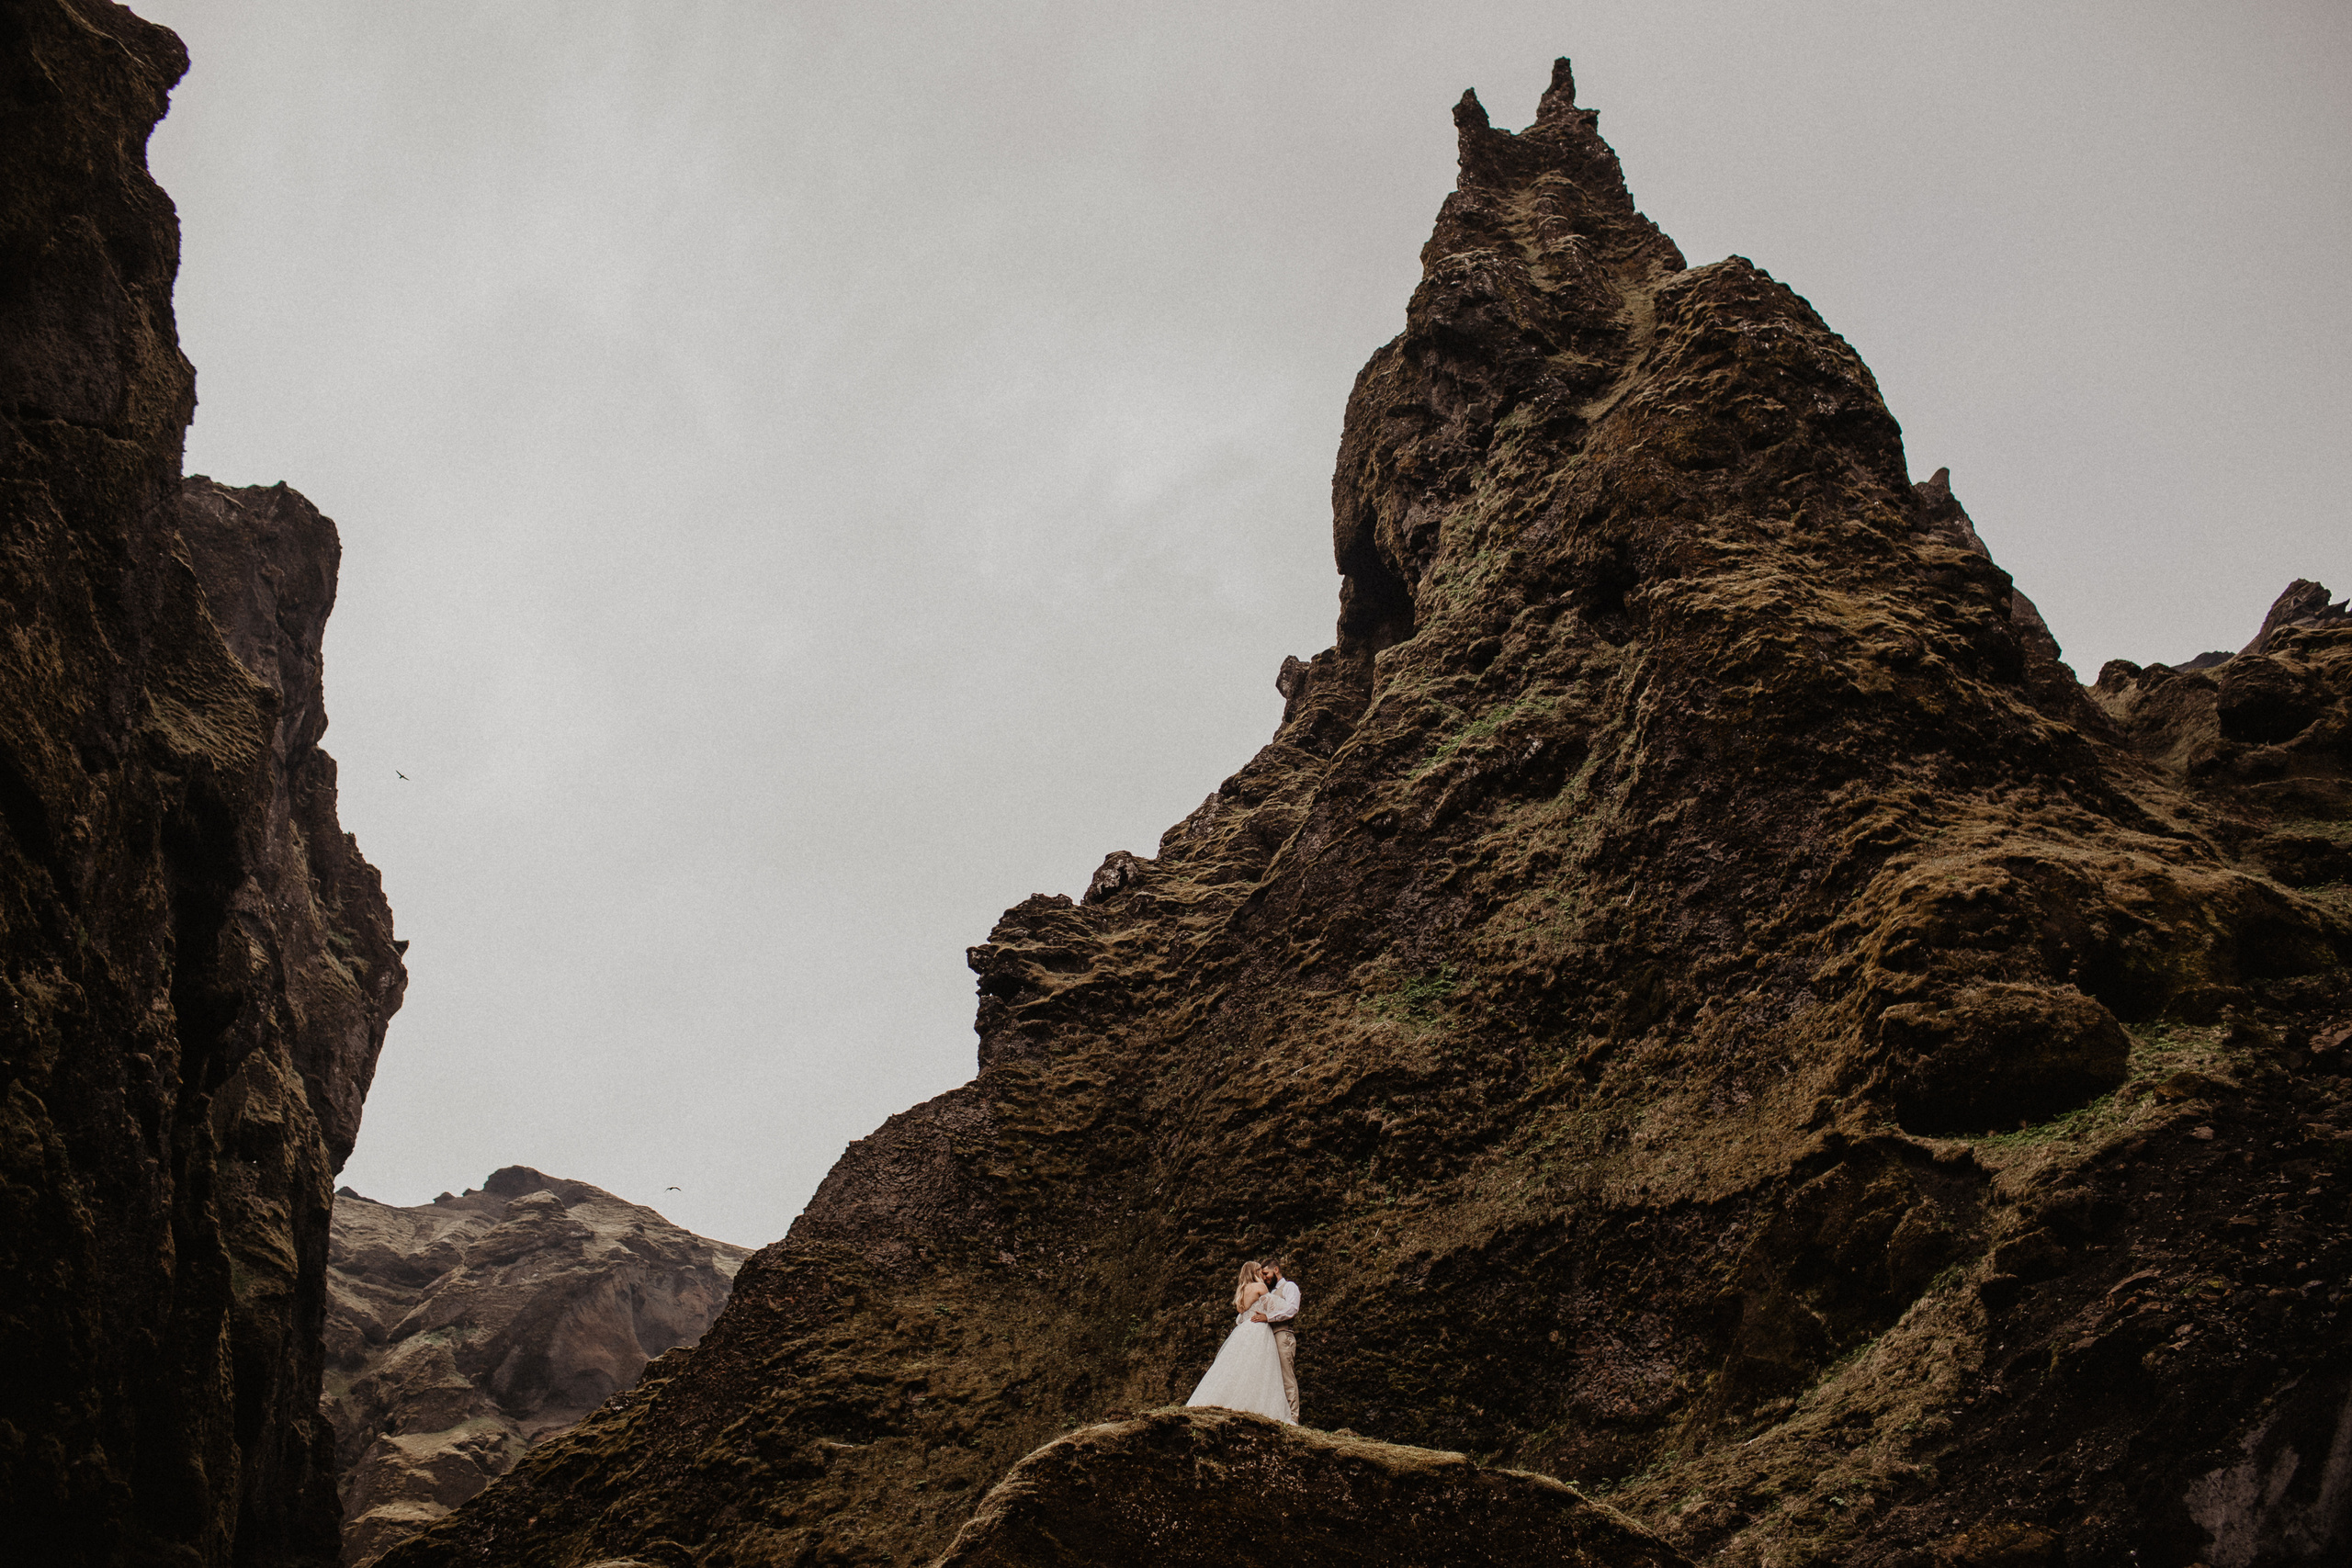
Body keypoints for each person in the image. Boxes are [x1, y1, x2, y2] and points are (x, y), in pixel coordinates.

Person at [1182, 1258, 1293, 1423]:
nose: (1263, 1275)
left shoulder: (1241, 1291)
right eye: (1260, 1272)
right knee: (1259, 1367)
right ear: (1255, 1273)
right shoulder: (1260, 1287)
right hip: (1258, 1329)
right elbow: (1275, 1307)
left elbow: (1241, 1316)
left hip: (1243, 1330)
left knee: (1236, 1366)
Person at [1249, 1257, 1302, 1422]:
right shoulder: (1268, 1293)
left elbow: (1292, 1309)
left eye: (1266, 1273)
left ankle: (1293, 1418)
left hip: (1282, 1335)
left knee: (1287, 1376)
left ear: (1276, 1270)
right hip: (1269, 1339)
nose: (1264, 1277)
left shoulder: (1289, 1286)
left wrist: (1268, 1317)